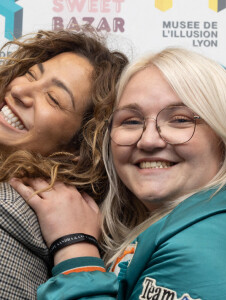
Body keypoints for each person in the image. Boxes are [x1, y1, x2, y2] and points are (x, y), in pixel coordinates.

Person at [11, 48, 226, 299]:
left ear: (223, 136)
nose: (148, 140)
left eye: (179, 120)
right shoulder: (194, 220)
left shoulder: (211, 244)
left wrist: (75, 249)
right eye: (131, 121)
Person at [0, 28, 127, 299]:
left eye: (53, 98)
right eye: (31, 74)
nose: (20, 89)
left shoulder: (8, 210)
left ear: (77, 148)